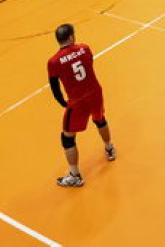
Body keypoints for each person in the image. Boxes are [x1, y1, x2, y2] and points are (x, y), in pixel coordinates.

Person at [47, 23, 116, 187]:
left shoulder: (53, 62)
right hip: (95, 94)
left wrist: (63, 102)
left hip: (77, 102)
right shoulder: (84, 48)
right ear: (71, 37)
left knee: (67, 138)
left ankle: (75, 175)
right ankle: (109, 148)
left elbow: (55, 88)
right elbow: (88, 64)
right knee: (100, 120)